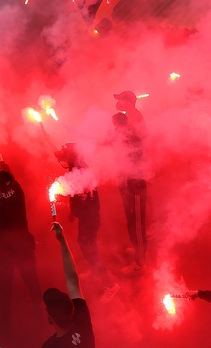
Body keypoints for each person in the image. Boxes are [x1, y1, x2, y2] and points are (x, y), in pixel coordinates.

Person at [54, 143, 118, 301]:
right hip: (86, 217)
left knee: (89, 250)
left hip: (90, 218)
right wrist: (72, 211)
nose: (64, 160)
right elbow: (76, 194)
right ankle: (94, 269)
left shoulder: (81, 171)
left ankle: (110, 284)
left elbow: (84, 198)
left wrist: (75, 210)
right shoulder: (76, 167)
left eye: (66, 156)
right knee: (86, 246)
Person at [0, 152, 42, 327]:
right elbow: (12, 179)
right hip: (23, 247)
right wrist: (1, 160)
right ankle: (41, 315)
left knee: (4, 289)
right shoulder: (18, 193)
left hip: (4, 256)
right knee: (33, 283)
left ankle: (5, 321)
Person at [42, 222, 96, 348]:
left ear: (51, 318)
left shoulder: (49, 346)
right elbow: (72, 280)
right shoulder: (81, 324)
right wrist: (62, 240)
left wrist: (61, 239)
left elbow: (73, 281)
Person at [112, 103, 148, 274]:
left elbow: (134, 164)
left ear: (123, 125)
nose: (114, 131)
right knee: (131, 223)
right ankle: (139, 252)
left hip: (136, 188)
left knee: (137, 226)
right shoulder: (122, 139)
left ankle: (140, 263)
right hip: (127, 187)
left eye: (116, 127)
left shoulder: (133, 140)